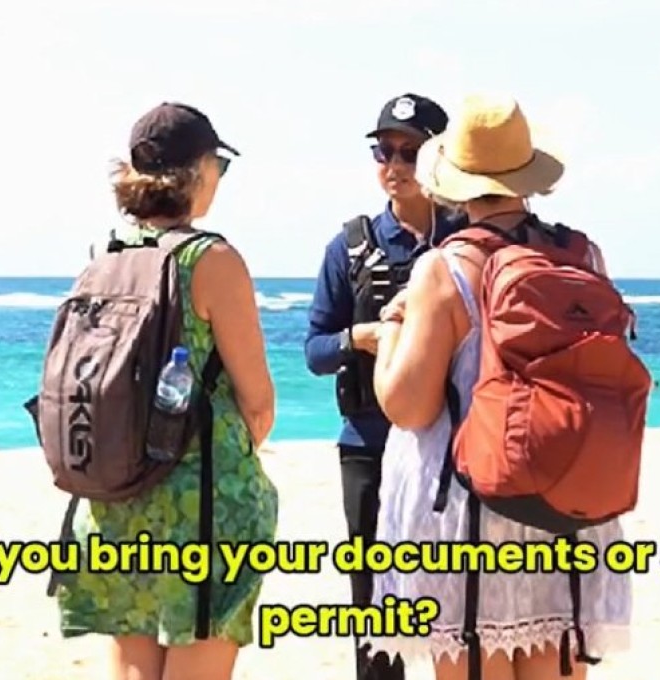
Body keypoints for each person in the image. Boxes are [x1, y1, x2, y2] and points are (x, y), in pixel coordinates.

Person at [364, 93, 633, 680]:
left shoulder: (445, 266)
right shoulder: (582, 254)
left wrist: (390, 329)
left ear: (455, 179)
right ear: (525, 176)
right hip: (567, 495)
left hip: (467, 502)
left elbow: (409, 407)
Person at [54, 102, 279, 680]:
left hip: (115, 494)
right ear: (197, 172)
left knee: (132, 669)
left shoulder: (105, 258)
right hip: (201, 503)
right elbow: (257, 401)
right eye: (218, 166)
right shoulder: (212, 260)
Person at [303, 93, 468, 680]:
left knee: (462, 603)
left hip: (454, 451)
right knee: (375, 612)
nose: (393, 165)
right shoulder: (349, 247)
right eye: (382, 150)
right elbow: (315, 350)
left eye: (408, 151)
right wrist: (363, 337)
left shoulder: (466, 242)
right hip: (369, 446)